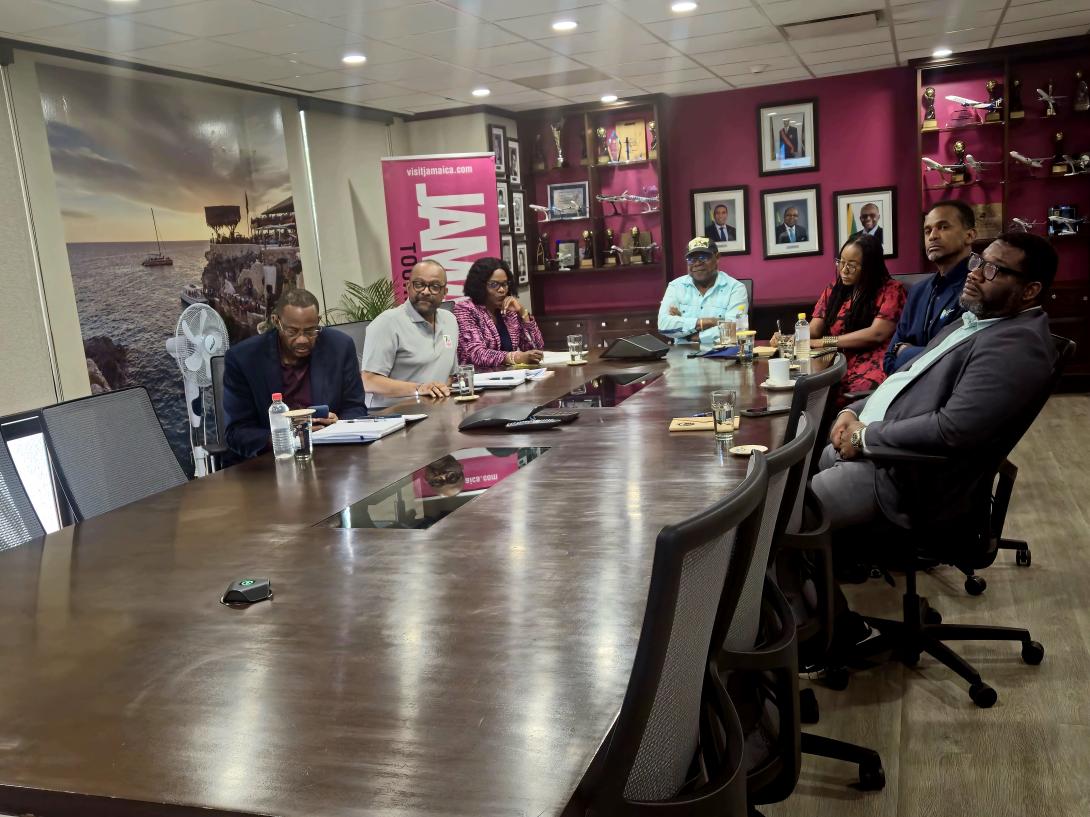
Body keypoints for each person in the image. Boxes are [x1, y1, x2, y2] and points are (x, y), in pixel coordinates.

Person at [811, 231, 1058, 533]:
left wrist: (863, 438)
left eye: (993, 269)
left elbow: (953, 429)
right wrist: (851, 413)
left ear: (1030, 290)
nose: (974, 273)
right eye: (978, 261)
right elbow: (905, 379)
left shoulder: (1016, 346)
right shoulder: (978, 320)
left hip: (902, 475)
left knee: (779, 520)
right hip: (877, 446)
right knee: (798, 474)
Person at [223, 287, 367, 460]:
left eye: (310, 331)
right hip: (271, 462)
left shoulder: (339, 347)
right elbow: (237, 431)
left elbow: (355, 407)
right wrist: (288, 438)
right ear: (277, 321)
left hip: (330, 456)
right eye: (292, 331)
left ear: (318, 321)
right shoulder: (244, 358)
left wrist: (339, 424)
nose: (302, 339)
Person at [779, 234, 905, 398]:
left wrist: (824, 342)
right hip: (834, 359)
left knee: (833, 392)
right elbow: (814, 329)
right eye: (841, 262)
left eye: (852, 265)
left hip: (870, 362)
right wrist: (789, 338)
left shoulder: (892, 290)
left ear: (870, 267)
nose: (843, 270)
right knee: (798, 385)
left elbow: (876, 334)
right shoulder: (834, 290)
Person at [884, 200, 975, 374]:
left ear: (969, 235)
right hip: (901, 388)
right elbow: (889, 358)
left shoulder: (978, 286)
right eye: (927, 231)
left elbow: (958, 360)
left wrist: (906, 352)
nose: (932, 236)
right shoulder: (918, 291)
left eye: (943, 227)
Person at [362, 260, 459, 407]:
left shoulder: (450, 320)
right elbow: (369, 381)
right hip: (393, 416)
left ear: (444, 292)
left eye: (434, 286)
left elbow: (449, 375)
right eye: (419, 284)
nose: (425, 291)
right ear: (408, 286)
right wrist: (419, 389)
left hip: (437, 412)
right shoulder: (387, 323)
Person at [657, 236, 749, 345]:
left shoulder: (736, 288)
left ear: (717, 257)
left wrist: (694, 335)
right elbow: (663, 326)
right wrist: (707, 322)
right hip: (683, 357)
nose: (697, 263)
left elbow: (735, 331)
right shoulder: (676, 286)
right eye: (691, 259)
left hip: (721, 357)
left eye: (703, 257)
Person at [454, 257, 544, 368]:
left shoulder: (509, 311)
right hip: (478, 380)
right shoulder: (465, 309)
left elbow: (536, 350)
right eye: (494, 284)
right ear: (480, 285)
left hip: (511, 377)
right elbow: (475, 354)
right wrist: (515, 357)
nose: (501, 290)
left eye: (505, 284)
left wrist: (523, 313)